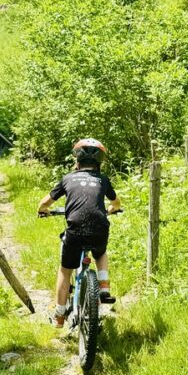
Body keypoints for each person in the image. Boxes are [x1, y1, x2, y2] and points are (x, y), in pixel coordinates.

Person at [37, 138, 121, 328]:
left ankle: (59, 315)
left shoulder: (68, 178)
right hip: (100, 227)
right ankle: (104, 286)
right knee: (100, 252)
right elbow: (116, 203)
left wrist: (44, 211)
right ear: (99, 163)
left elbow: (43, 204)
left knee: (65, 270)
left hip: (75, 229)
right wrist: (111, 209)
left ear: (77, 161)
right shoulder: (103, 180)